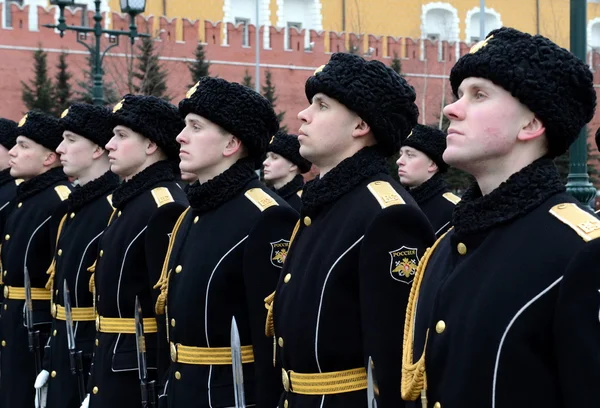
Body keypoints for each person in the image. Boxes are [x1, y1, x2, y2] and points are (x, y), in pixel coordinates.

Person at [402, 27, 600, 408]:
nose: (451, 109)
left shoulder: (580, 251)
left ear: (530, 125)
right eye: (459, 94)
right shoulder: (447, 244)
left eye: (479, 95)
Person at [268, 53, 435, 408]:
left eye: (322, 105)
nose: (303, 114)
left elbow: (393, 362)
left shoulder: (387, 214)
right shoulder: (324, 203)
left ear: (360, 125)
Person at [155, 77, 298, 408]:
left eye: (195, 127)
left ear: (231, 143)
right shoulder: (193, 212)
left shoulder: (266, 217)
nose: (180, 136)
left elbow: (272, 341)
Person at [84, 95, 188, 408]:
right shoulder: (130, 202)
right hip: (112, 362)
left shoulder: (163, 206)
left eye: (121, 136)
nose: (109, 145)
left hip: (138, 374)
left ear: (151, 145)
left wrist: (161, 389)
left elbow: (165, 311)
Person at [33, 104, 120, 408]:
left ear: (98, 149)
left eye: (70, 140)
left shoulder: (112, 209)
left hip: (88, 358)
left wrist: (96, 380)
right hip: (63, 350)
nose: (60, 149)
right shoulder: (73, 208)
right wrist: (48, 357)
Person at [0, 111, 73, 408]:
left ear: (48, 158)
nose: (14, 153)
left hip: (37, 325)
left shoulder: (58, 199)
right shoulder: (27, 196)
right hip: (14, 318)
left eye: (24, 145)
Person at [397, 124, 459, 236]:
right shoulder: (396, 202)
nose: (399, 161)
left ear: (432, 164)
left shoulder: (455, 211)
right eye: (400, 154)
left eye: (410, 155)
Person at [263, 131, 312, 211]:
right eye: (267, 157)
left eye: (274, 157)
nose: (265, 163)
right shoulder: (265, 197)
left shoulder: (304, 203)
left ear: (293, 165)